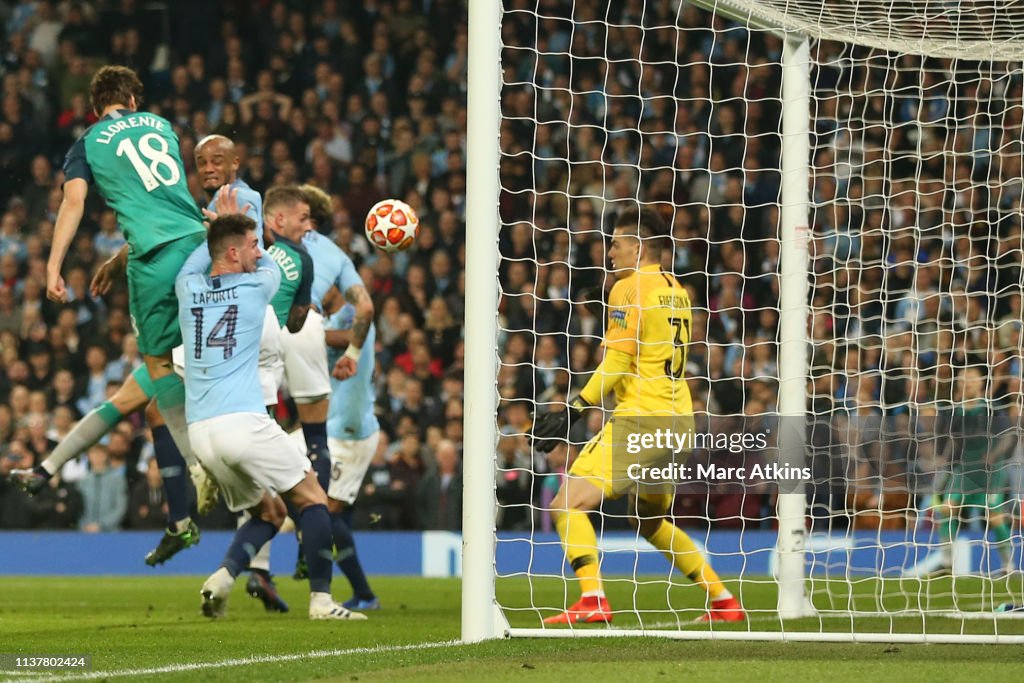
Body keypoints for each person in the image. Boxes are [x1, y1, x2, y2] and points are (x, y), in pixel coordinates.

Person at [532, 207, 744, 624]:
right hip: (679, 420)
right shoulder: (676, 289)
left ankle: (592, 598)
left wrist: (574, 408)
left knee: (566, 503)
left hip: (641, 418)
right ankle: (723, 601)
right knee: (648, 521)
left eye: (616, 243)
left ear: (639, 246)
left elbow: (616, 362)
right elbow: (645, 348)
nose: (609, 251)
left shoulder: (629, 286)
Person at [43, 66, 205, 560]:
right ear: (133, 99)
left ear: (96, 107)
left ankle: (200, 469)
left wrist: (54, 266)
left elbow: (74, 203)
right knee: (208, 357)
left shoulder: (88, 141)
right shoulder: (160, 125)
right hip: (201, 247)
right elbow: (163, 196)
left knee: (158, 369)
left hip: (154, 259)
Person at [177, 213, 364, 620]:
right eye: (252, 244)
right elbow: (279, 264)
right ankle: (321, 600)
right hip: (243, 421)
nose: (259, 251)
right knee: (313, 497)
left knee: (270, 512)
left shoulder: (186, 287)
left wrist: (211, 226)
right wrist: (270, 234)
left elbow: (197, 257)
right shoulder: (256, 287)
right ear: (233, 252)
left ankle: (222, 580)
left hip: (201, 433)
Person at [928, 367, 1015, 577]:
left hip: (990, 471)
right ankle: (947, 563)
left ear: (980, 383)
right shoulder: (956, 412)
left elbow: (1008, 435)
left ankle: (1009, 566)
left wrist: (993, 455)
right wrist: (944, 460)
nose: (967, 383)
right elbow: (953, 440)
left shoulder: (990, 409)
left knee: (994, 516)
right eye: (963, 380)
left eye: (971, 380)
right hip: (965, 470)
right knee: (947, 509)